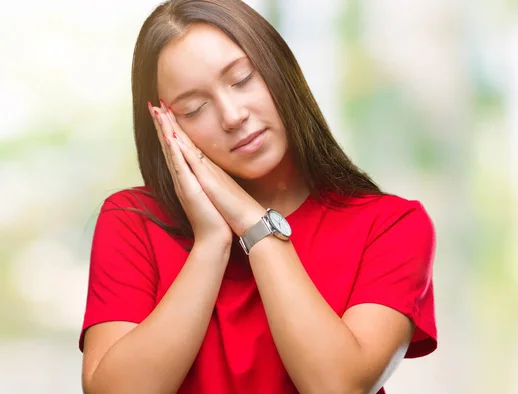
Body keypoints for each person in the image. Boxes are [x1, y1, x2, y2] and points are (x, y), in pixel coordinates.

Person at [78, 0, 438, 393]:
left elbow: (339, 386)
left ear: (278, 67)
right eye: (195, 108)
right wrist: (211, 242)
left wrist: (255, 226)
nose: (233, 115)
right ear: (167, 127)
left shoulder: (390, 226)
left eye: (242, 79)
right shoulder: (133, 221)